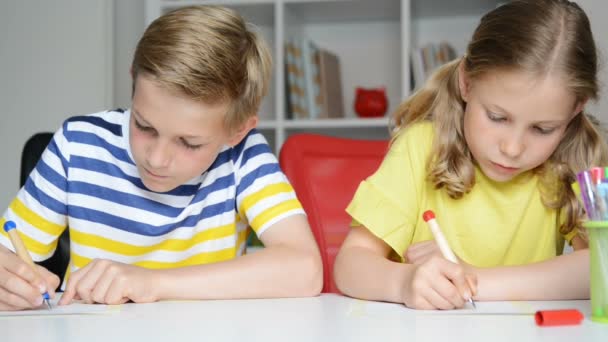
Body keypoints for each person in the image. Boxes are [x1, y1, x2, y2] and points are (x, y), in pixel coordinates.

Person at [0, 5, 322, 311]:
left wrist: (152, 283)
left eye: (189, 143)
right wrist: (8, 281)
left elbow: (305, 268)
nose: (156, 159)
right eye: (143, 125)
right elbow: (8, 252)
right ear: (133, 81)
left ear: (237, 130)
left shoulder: (243, 155)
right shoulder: (78, 144)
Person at [334, 0, 608, 310]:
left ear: (576, 109)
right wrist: (403, 282)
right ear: (467, 83)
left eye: (542, 129)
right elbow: (350, 265)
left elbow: (600, 269)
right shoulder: (420, 147)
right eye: (497, 117)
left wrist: (475, 280)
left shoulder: (571, 163)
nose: (513, 148)